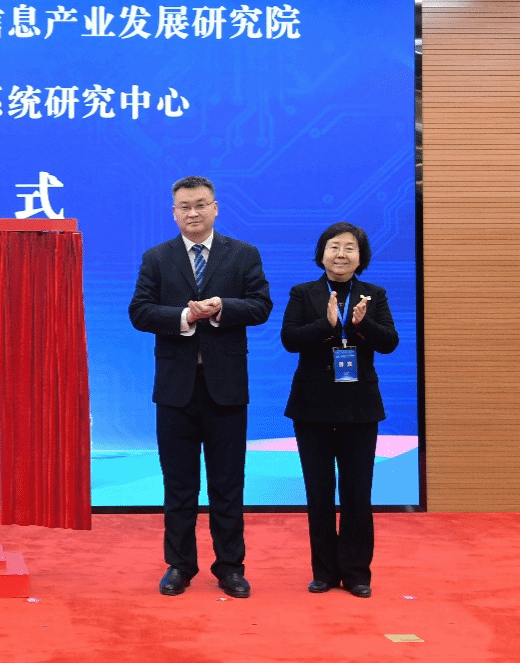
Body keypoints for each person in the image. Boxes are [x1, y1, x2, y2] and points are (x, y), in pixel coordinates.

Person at [129, 176, 272, 599]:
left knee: (228, 484)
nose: (193, 212)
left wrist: (223, 307)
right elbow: (140, 312)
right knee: (179, 485)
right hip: (175, 391)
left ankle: (230, 567)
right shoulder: (157, 257)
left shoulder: (242, 254)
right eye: (185, 206)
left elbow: (261, 305)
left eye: (200, 204)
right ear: (174, 213)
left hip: (227, 389)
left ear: (216, 208)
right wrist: (185, 317)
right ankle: (180, 565)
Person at [280, 222, 398, 599]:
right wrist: (327, 325)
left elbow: (390, 342)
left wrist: (363, 326)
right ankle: (324, 572)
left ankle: (357, 573)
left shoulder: (373, 295)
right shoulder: (303, 293)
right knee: (319, 494)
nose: (341, 254)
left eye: (350, 248)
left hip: (359, 409)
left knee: (357, 494)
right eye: (334, 247)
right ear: (322, 254)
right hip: (312, 408)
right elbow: (289, 340)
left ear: (360, 257)